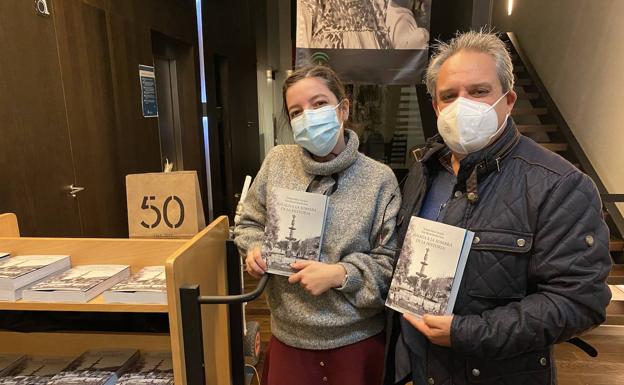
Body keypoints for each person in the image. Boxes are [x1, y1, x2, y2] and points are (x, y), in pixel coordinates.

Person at [384, 31, 612, 385]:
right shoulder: (424, 169)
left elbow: (580, 301)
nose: (463, 105)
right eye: (449, 96)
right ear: (436, 107)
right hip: (417, 367)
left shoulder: (559, 185)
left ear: (508, 100)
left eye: (478, 92)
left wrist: (467, 332)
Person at [234, 64, 400, 385]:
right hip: (289, 338)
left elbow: (390, 266)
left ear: (343, 109)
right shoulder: (277, 162)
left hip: (357, 341)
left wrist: (342, 274)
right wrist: (254, 247)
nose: (308, 116)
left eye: (319, 104)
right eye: (296, 111)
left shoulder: (380, 180)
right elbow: (249, 221)